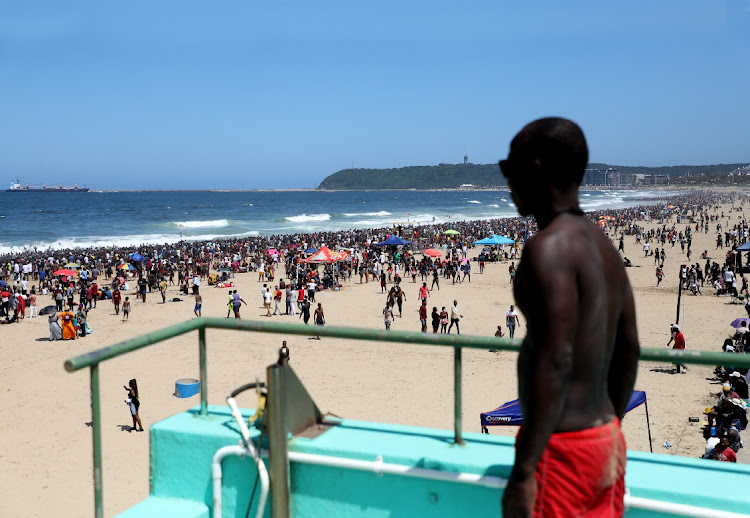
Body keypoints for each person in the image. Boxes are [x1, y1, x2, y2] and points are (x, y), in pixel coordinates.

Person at [498, 117, 640, 517]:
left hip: (560, 448)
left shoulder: (547, 249)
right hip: (605, 439)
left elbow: (555, 359)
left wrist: (524, 471)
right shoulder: (604, 247)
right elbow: (629, 349)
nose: (508, 184)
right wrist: (611, 424)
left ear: (536, 169)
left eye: (510, 169)